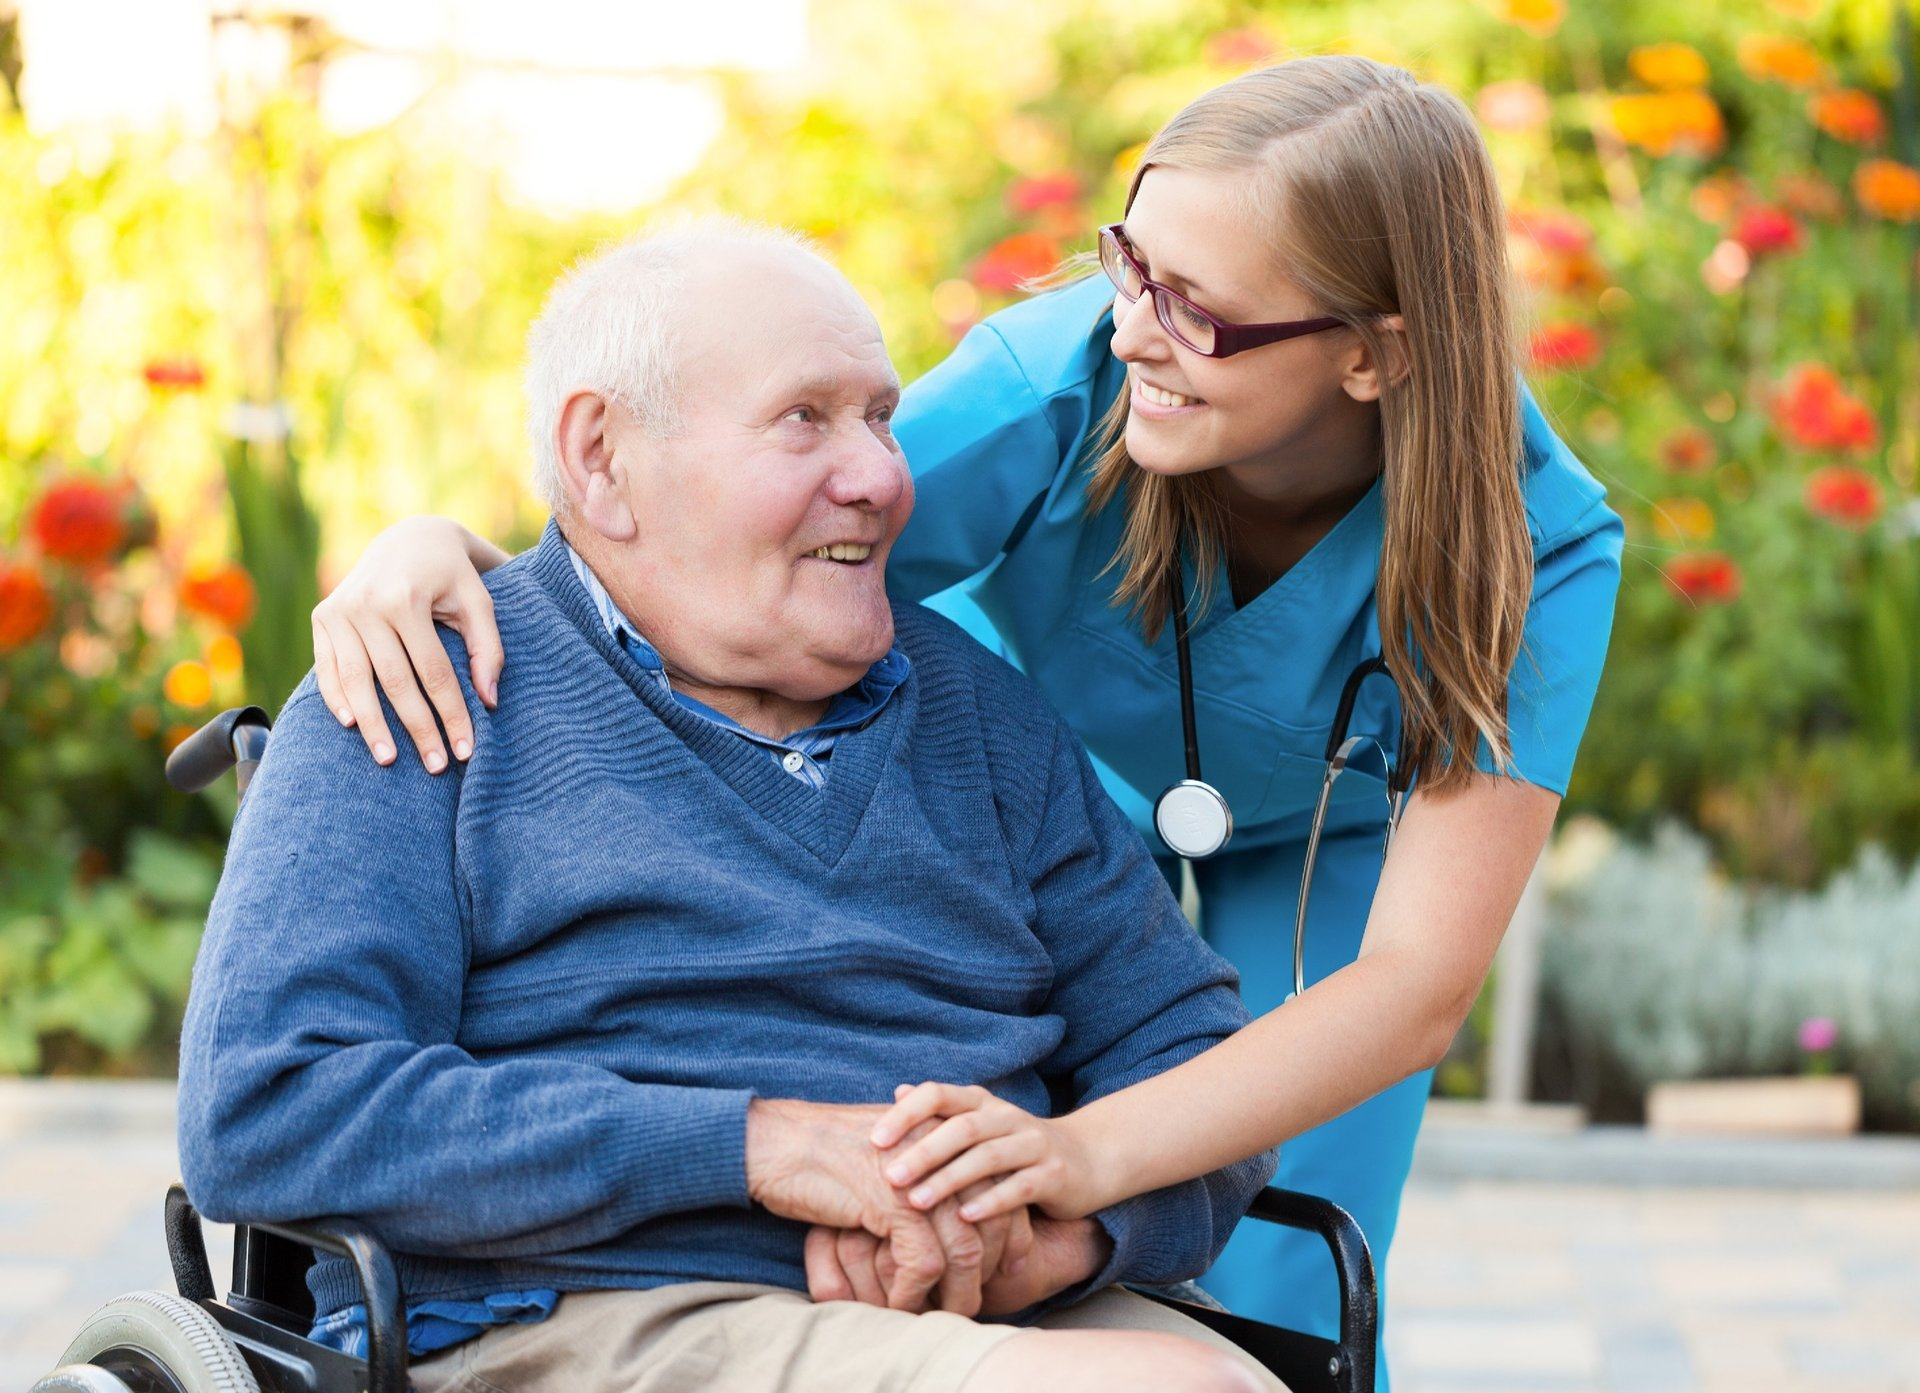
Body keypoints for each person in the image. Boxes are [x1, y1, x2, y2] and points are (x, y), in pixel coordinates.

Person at [303, 56, 1623, 1387]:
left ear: (1371, 351)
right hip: (1041, 782)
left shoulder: (1536, 546)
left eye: (1199, 311)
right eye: (1128, 264)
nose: (1131, 331)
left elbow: (1408, 987)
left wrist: (1082, 1179)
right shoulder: (1050, 391)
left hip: (1324, 833)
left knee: (1285, 1283)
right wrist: (438, 547)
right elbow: (695, 543)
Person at [177, 222, 1284, 1393]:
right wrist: (764, 1146)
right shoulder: (419, 693)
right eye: (806, 417)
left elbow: (1196, 1058)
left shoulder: (981, 714)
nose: (880, 475)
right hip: (585, 1314)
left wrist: (1067, 1235)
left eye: (880, 417)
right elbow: (271, 1101)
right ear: (602, 456)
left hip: (993, 1313)